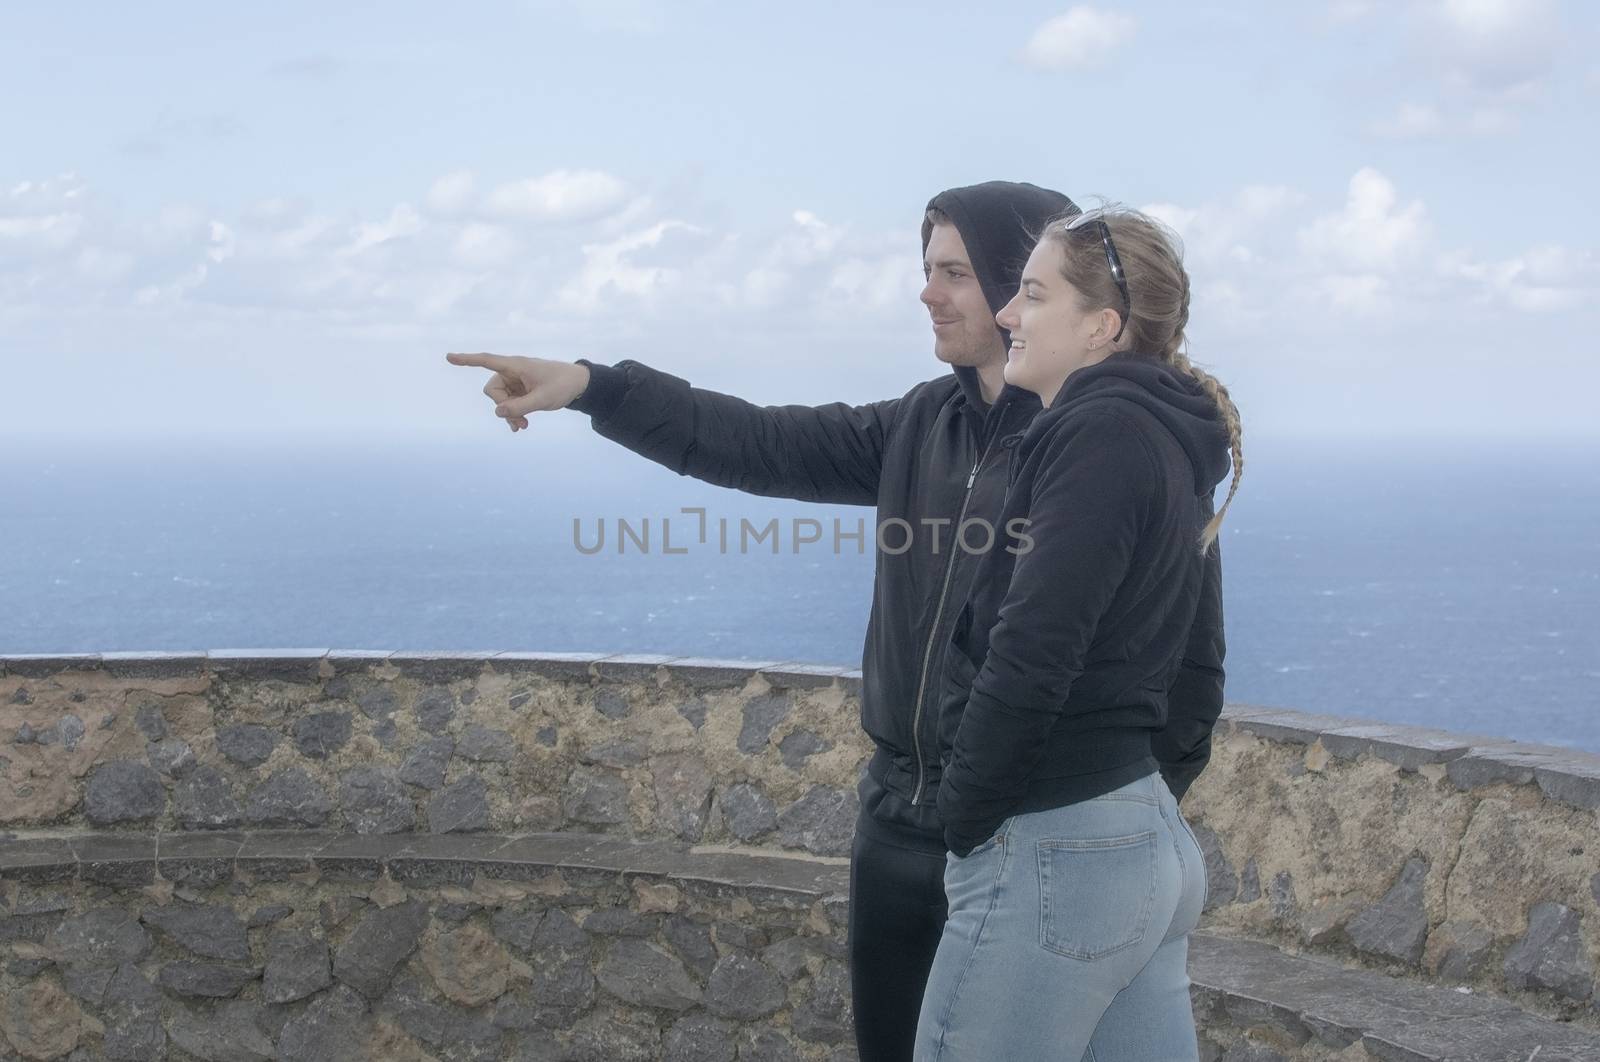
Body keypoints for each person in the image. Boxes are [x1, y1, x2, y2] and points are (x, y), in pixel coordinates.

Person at [445, 183, 1228, 1062]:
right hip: (902, 831)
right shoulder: (921, 426)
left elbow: (1189, 664)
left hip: (1011, 830)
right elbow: (751, 441)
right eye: (927, 269)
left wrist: (1059, 806)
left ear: (1025, 283)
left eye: (957, 273)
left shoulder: (1099, 444)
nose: (930, 292)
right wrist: (595, 388)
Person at [912, 206, 1243, 1061]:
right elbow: (1198, 665)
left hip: (1054, 847)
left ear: (1101, 326)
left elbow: (1034, 649)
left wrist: (970, 817)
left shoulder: (1097, 432)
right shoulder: (1165, 435)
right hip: (1140, 847)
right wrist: (1137, 801)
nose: (1009, 316)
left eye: (1031, 294)